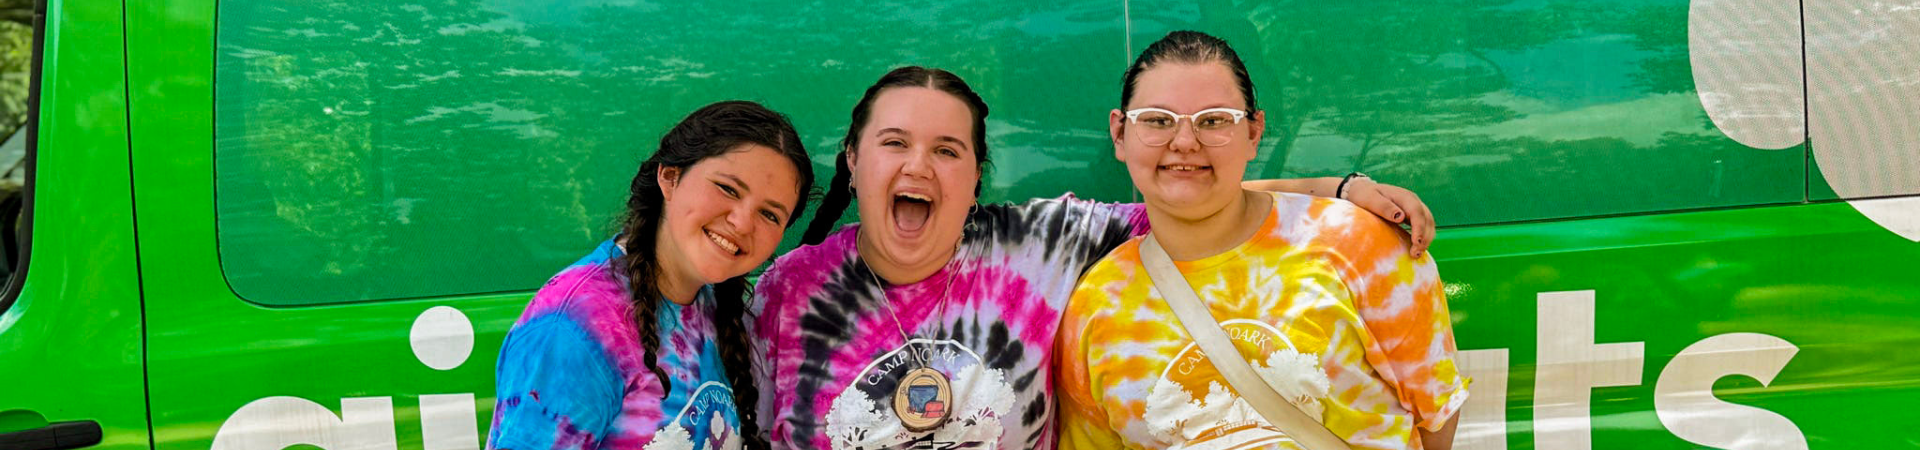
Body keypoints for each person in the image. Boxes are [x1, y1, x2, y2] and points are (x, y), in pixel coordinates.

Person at [750, 67, 1435, 450]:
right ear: (854, 160)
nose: (919, 166)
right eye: (894, 144)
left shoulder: (1041, 244)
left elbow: (1188, 196)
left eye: (948, 150)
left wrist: (1334, 190)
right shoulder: (788, 292)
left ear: (976, 174)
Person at [1055, 31, 1468, 450]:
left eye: (1213, 120)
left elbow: (1435, 415)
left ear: (1254, 133)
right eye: (1158, 120)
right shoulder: (1095, 305)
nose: (1184, 142)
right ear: (1120, 134)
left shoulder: (1361, 245)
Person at [487, 101, 814, 450]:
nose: (742, 222)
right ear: (670, 177)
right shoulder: (576, 326)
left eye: (770, 214)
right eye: (728, 189)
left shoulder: (711, 300)